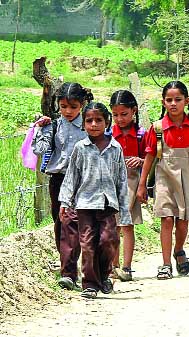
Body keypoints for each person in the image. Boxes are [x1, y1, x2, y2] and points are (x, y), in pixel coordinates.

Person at [136, 80, 189, 280]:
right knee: (166, 220)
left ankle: (179, 250)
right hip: (164, 181)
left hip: (187, 180)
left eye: (178, 99)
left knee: (182, 222)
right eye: (169, 100)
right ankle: (165, 264)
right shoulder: (157, 129)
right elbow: (149, 157)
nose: (173, 104)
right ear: (163, 103)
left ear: (187, 101)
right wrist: (141, 185)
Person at [59, 102, 131, 299]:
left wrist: (124, 211)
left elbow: (122, 180)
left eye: (98, 120)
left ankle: (104, 274)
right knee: (87, 245)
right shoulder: (81, 148)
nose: (93, 124)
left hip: (108, 204)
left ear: (107, 122)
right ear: (83, 124)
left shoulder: (115, 148)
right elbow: (72, 176)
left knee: (109, 241)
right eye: (89, 120)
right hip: (85, 205)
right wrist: (65, 202)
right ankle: (90, 284)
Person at [32, 82, 93, 290]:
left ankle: (70, 272)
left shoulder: (90, 125)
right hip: (58, 180)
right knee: (59, 222)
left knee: (74, 224)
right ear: (58, 104)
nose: (68, 111)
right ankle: (66, 265)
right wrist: (40, 128)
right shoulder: (54, 125)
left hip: (82, 180)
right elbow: (39, 149)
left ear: (82, 105)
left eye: (73, 107)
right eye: (64, 106)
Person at [109, 90, 145, 282]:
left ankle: (127, 266)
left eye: (124, 114)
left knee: (127, 225)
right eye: (115, 115)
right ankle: (113, 266)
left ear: (134, 111)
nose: (120, 119)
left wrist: (140, 160)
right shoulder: (108, 134)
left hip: (132, 183)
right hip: (112, 183)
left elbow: (150, 159)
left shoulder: (141, 135)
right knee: (113, 225)